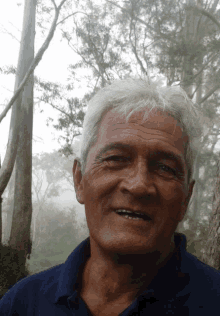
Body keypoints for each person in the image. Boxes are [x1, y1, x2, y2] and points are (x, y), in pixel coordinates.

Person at [0, 78, 219, 315]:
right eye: (115, 159)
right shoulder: (23, 303)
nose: (138, 185)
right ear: (79, 180)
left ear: (187, 196)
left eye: (165, 167)